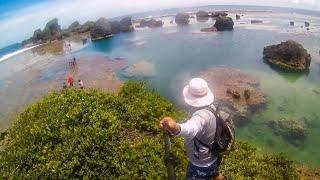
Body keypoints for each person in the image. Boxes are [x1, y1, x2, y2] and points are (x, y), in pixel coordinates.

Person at [160, 78, 224, 180]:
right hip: (214, 156)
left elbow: (191, 129)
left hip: (201, 163)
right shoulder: (212, 107)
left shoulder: (201, 116)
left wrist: (172, 126)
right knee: (215, 173)